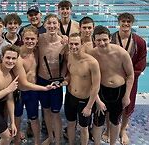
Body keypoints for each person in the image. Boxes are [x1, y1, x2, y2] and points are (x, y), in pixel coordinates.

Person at [101, 13, 146, 145]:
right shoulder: (111, 38)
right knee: (110, 106)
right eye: (123, 21)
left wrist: (130, 75)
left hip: (130, 80)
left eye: (128, 22)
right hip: (112, 79)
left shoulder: (139, 42)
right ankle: (108, 130)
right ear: (119, 22)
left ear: (132, 23)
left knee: (127, 104)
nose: (125, 24)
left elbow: (141, 62)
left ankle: (122, 131)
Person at [89, 26, 134, 145]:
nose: (102, 43)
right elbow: (90, 79)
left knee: (115, 121)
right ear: (94, 40)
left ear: (110, 38)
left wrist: (127, 96)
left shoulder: (121, 53)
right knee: (98, 121)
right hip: (101, 91)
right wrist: (97, 100)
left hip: (119, 92)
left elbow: (130, 75)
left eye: (104, 39)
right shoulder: (92, 54)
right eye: (98, 40)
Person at [65, 33, 101, 145]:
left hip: (84, 100)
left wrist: (89, 106)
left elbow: (96, 86)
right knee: (70, 123)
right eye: (71, 44)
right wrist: (65, 80)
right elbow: (71, 75)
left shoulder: (92, 62)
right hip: (70, 96)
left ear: (82, 44)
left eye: (76, 44)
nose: (73, 47)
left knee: (84, 127)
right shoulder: (69, 56)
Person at [37, 13, 67, 145]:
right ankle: (50, 136)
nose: (52, 25)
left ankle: (58, 141)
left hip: (57, 83)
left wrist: (63, 78)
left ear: (59, 25)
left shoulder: (64, 42)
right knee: (46, 111)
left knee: (56, 113)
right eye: (49, 23)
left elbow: (67, 62)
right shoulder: (39, 39)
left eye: (54, 23)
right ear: (44, 25)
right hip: (42, 80)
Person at [14, 26, 41, 145]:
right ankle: (16, 141)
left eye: (32, 39)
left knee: (34, 118)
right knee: (17, 117)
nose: (30, 41)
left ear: (37, 40)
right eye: (27, 38)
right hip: (19, 92)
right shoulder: (17, 55)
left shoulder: (37, 51)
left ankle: (37, 142)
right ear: (22, 39)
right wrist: (45, 88)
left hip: (32, 92)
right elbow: (23, 82)